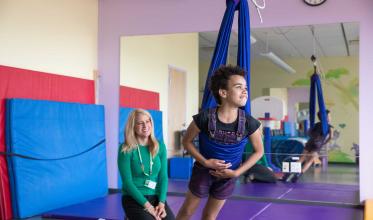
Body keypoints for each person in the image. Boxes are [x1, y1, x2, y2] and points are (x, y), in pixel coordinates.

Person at [176, 65, 264, 220]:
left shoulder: (250, 123)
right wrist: (205, 162)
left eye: (246, 87)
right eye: (238, 87)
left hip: (229, 176)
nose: (245, 91)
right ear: (223, 92)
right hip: (204, 171)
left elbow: (259, 151)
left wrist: (236, 173)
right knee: (186, 212)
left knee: (210, 216)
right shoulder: (204, 118)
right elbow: (186, 141)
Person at [118, 109, 175, 220]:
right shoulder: (125, 149)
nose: (145, 125)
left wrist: (161, 203)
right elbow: (127, 182)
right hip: (133, 198)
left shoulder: (160, 146)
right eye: (140, 123)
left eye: (148, 121)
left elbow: (163, 177)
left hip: (155, 197)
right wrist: (148, 207)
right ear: (133, 126)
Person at [285, 109, 333, 183]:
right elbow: (331, 137)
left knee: (302, 158)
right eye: (329, 116)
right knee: (309, 161)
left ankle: (288, 173)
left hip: (310, 142)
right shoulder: (329, 126)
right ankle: (298, 175)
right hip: (317, 144)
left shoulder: (317, 124)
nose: (330, 117)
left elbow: (309, 132)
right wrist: (324, 143)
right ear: (325, 117)